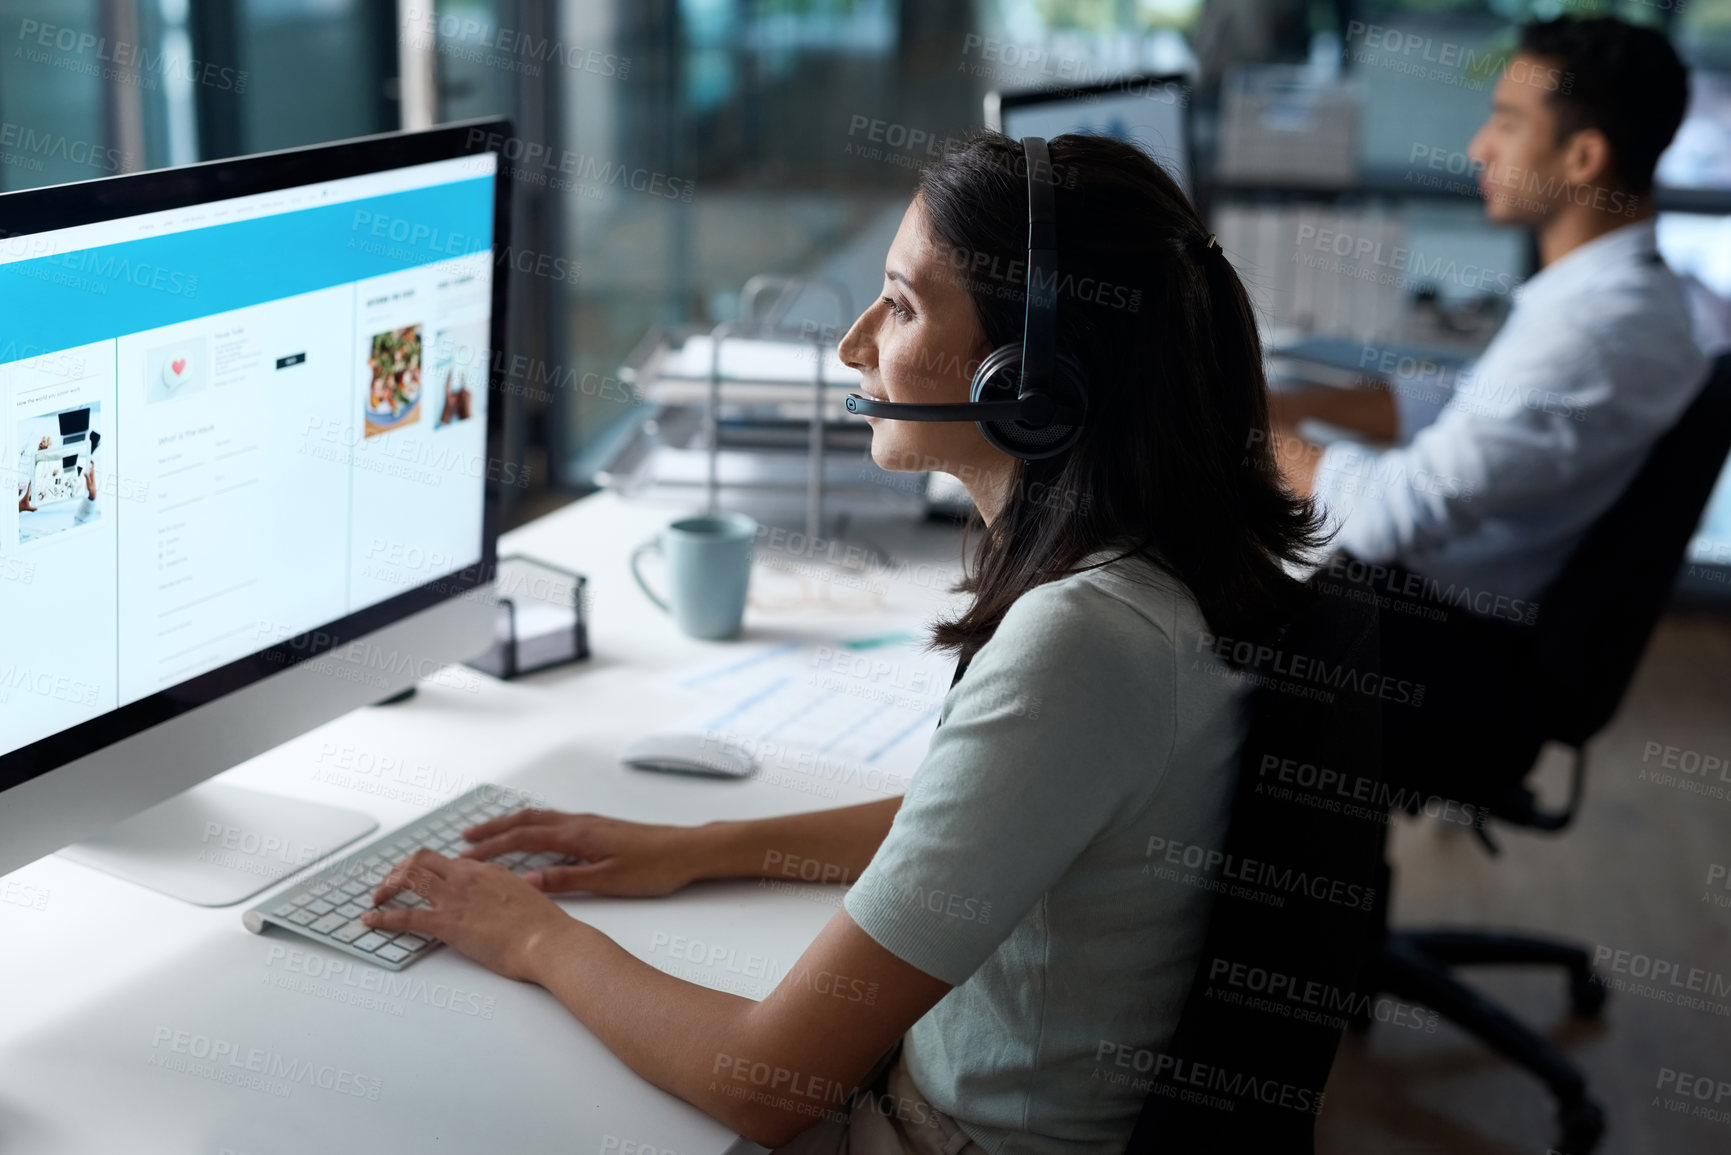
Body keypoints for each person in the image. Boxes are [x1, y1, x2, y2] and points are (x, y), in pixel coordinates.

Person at [358, 132, 1321, 1152]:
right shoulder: (1162, 565)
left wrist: (531, 935)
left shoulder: (1078, 643)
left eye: (902, 306)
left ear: (1027, 383)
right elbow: (986, 819)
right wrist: (700, 850)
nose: (854, 343)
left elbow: (767, 1084)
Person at [1272, 15, 1703, 613]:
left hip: (1422, 626)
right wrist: (1289, 407)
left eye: (1507, 122)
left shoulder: (1589, 331)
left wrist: (1240, 435)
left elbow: (1390, 517)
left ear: (1582, 158)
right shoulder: (1632, 296)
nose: (1480, 147)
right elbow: (1470, 399)